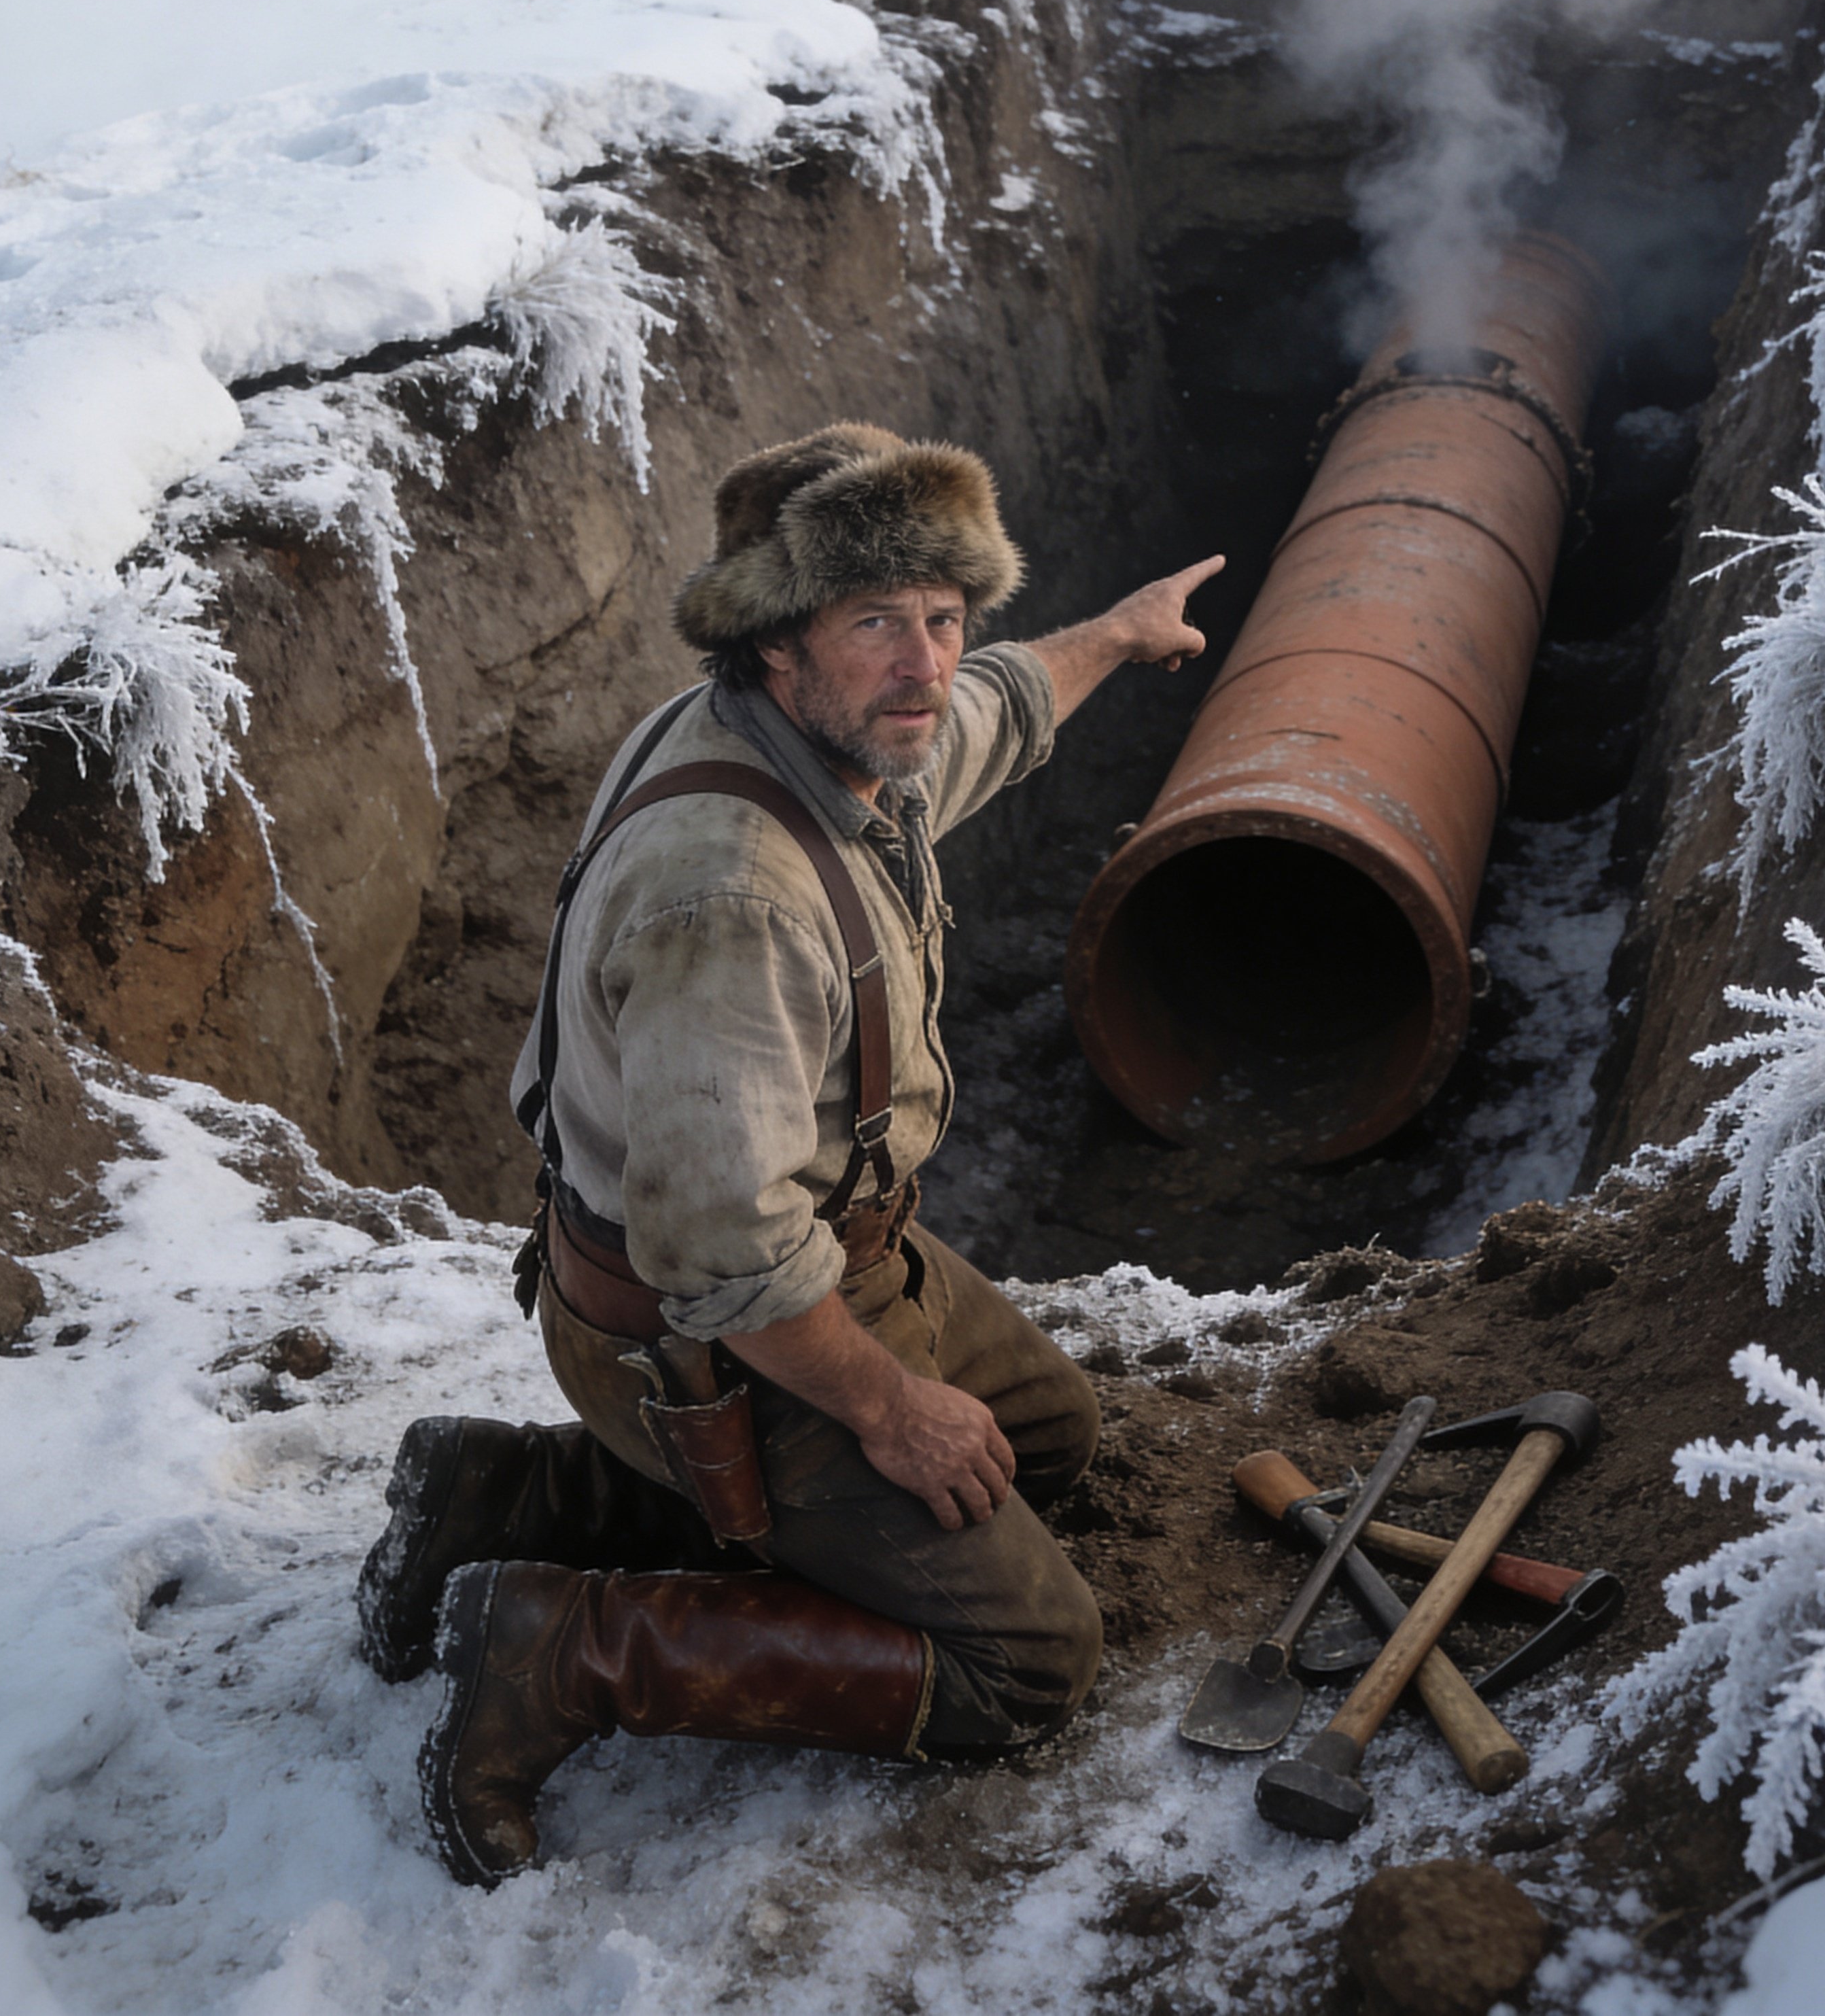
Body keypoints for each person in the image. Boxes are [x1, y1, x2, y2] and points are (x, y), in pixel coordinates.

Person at [356, 419, 1220, 1885]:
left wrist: (1118, 637)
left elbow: (995, 708)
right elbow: (725, 1255)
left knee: (1049, 1446)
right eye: (875, 621)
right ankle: (559, 1648)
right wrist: (887, 1408)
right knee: (1030, 1656)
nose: (925, 666)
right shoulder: (732, 896)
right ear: (773, 642)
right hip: (703, 1323)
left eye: (943, 618)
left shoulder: (821, 740)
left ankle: (509, 1492)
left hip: (833, 1245)